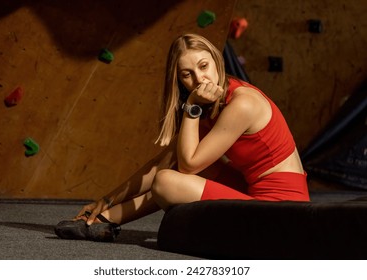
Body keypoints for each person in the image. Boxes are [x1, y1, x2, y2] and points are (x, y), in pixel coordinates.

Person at [54, 33, 310, 242]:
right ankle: (103, 221)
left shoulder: (241, 104)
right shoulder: (213, 103)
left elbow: (188, 165)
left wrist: (191, 107)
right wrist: (106, 199)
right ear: (178, 80)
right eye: (187, 74)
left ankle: (106, 221)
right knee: (170, 172)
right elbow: (162, 163)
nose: (200, 79)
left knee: (169, 180)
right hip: (256, 194)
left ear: (217, 61)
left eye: (203, 66)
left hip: (283, 212)